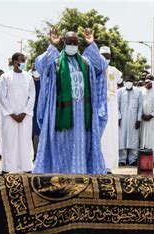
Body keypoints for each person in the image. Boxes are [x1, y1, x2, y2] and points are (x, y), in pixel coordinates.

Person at [33, 28, 107, 174]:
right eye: (69, 42)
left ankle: (81, 173)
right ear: (64, 43)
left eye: (75, 42)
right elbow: (40, 66)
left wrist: (92, 45)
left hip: (82, 114)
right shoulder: (55, 63)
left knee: (82, 144)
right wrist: (52, 46)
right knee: (61, 145)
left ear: (79, 44)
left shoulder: (86, 63)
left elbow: (102, 66)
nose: (72, 45)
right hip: (60, 114)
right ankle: (59, 174)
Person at [0, 52, 35, 174]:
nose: (23, 63)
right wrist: (11, 113)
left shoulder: (28, 77)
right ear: (14, 62)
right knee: (9, 141)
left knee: (25, 141)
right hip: (9, 117)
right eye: (21, 61)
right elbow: (2, 97)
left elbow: (32, 96)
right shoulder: (5, 77)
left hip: (25, 116)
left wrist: (24, 113)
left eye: (24, 61)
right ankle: (7, 168)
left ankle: (26, 167)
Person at [100, 46, 122, 173]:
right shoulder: (94, 68)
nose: (105, 59)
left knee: (110, 136)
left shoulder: (114, 70)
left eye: (107, 56)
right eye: (103, 56)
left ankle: (108, 165)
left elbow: (120, 79)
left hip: (111, 107)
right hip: (98, 106)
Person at [118, 75, 142, 166]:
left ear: (133, 82)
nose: (129, 82)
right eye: (127, 80)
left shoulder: (138, 92)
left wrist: (138, 119)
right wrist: (118, 117)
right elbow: (117, 105)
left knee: (134, 139)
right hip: (122, 119)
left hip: (133, 119)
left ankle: (132, 159)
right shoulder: (120, 92)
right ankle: (122, 159)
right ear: (124, 81)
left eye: (130, 80)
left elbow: (140, 106)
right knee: (122, 139)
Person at [140, 77, 154, 165]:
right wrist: (141, 114)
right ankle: (142, 157)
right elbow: (139, 103)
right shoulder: (141, 90)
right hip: (143, 119)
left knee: (153, 138)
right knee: (143, 138)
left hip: (152, 118)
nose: (147, 84)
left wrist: (151, 115)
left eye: (149, 82)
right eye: (146, 82)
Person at [30, 64, 41, 159]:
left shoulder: (44, 82)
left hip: (41, 112)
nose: (35, 70)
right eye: (33, 69)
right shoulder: (29, 81)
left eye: (36, 68)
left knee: (39, 133)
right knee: (32, 134)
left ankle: (38, 154)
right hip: (30, 112)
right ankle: (33, 154)